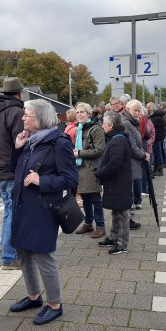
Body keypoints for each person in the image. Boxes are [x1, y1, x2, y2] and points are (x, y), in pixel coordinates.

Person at [9, 99, 78, 325]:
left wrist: (42, 180)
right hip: (22, 206)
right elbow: (16, 170)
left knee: (42, 255)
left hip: (42, 209)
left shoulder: (59, 142)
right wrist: (16, 148)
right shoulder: (30, 140)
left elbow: (70, 178)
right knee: (24, 252)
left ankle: (55, 304)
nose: (22, 118)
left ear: (39, 118)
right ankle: (33, 296)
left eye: (26, 115)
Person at [0, 77, 25, 269]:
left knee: (9, 211)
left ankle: (9, 253)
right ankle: (10, 257)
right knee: (12, 212)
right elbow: (19, 142)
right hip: (12, 167)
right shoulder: (16, 112)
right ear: (19, 93)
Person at [94, 111, 132, 254]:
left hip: (119, 182)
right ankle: (113, 237)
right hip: (116, 182)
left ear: (110, 125)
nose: (102, 125)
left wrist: (99, 172)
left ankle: (121, 244)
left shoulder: (118, 140)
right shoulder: (116, 138)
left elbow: (114, 163)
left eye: (103, 123)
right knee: (116, 211)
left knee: (122, 213)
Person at [72, 102, 106, 239]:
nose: (79, 114)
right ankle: (88, 222)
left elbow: (99, 150)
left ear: (88, 114)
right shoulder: (79, 128)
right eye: (78, 112)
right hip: (81, 167)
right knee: (85, 196)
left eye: (82, 112)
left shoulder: (95, 129)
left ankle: (100, 225)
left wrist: (79, 153)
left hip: (91, 168)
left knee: (95, 198)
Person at [121, 100, 150, 227]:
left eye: (139, 110)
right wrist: (143, 154)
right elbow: (131, 146)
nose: (137, 113)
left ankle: (128, 219)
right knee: (128, 193)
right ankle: (127, 220)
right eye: (135, 110)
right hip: (128, 163)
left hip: (133, 162)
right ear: (127, 109)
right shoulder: (127, 124)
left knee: (129, 192)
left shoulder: (133, 123)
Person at [140, 106, 155, 196]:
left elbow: (153, 135)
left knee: (146, 169)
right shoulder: (138, 123)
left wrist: (148, 142)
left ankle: (144, 186)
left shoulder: (150, 123)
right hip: (140, 150)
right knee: (141, 169)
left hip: (148, 149)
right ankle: (142, 187)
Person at [148, 102, 165, 175]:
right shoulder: (159, 116)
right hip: (158, 137)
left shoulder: (155, 118)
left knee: (157, 153)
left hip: (156, 138)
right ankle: (157, 168)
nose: (149, 110)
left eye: (150, 109)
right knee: (158, 153)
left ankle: (159, 170)